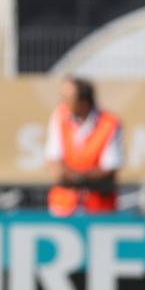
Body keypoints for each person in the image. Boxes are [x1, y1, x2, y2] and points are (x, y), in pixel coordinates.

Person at [45, 77, 123, 217]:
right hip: (63, 207)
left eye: (68, 99)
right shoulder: (59, 116)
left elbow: (110, 168)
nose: (63, 102)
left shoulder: (109, 123)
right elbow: (55, 162)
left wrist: (77, 177)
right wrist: (80, 176)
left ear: (83, 102)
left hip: (98, 209)